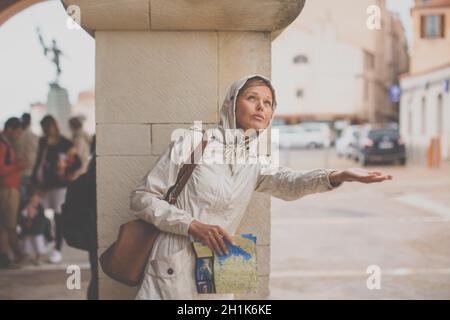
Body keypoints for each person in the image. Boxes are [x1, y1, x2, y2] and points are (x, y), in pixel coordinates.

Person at [129, 74, 392, 300]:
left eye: (268, 103)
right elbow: (142, 198)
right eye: (252, 98)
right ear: (232, 104)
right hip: (172, 266)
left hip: (219, 268)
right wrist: (192, 225)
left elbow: (290, 182)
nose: (261, 107)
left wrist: (339, 174)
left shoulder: (254, 162)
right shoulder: (194, 143)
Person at [31, 115, 81, 264]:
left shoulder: (64, 142)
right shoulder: (42, 142)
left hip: (59, 186)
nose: (46, 131)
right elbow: (39, 161)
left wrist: (63, 172)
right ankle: (47, 239)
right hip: (43, 186)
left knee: (59, 218)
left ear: (54, 127)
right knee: (38, 213)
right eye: (44, 128)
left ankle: (57, 249)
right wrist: (34, 177)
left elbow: (76, 162)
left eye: (48, 127)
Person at [0, 117, 25, 268]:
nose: (19, 136)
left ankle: (9, 257)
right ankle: (15, 256)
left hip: (9, 188)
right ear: (10, 129)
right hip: (7, 189)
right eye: (18, 132)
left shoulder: (6, 144)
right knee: (9, 225)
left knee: (5, 225)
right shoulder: (3, 145)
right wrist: (19, 165)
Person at [18, 187, 49, 265]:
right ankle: (26, 257)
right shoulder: (25, 205)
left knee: (38, 244)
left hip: (37, 230)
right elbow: (21, 215)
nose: (35, 199)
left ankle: (38, 257)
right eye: (33, 197)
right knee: (26, 244)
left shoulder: (40, 207)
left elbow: (42, 218)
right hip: (27, 229)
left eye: (37, 197)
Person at [15, 113, 39, 210]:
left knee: (22, 203)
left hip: (19, 173)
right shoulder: (34, 137)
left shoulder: (16, 137)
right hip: (31, 172)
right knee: (32, 204)